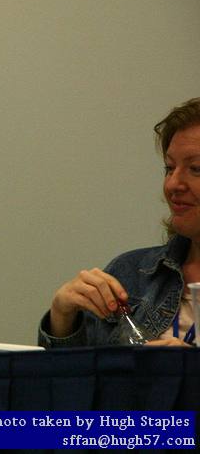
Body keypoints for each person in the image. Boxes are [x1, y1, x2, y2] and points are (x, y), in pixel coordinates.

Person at [38, 97, 200, 348]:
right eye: (169, 168)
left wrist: (187, 369)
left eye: (196, 169)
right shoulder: (131, 274)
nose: (172, 185)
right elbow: (72, 383)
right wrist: (62, 317)